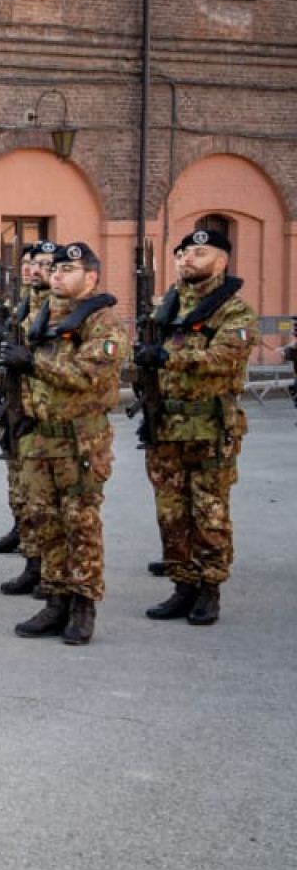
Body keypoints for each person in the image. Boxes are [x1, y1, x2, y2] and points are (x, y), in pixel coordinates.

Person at [0, 242, 128, 646]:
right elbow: (22, 379)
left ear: (91, 277)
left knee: (80, 523)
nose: (56, 275)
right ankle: (55, 600)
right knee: (45, 522)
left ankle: (83, 604)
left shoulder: (104, 322)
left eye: (68, 269)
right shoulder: (40, 317)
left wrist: (33, 362)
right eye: (54, 269)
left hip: (80, 440)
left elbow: (88, 372)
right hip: (40, 437)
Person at [137, 227, 256, 626]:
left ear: (221, 262)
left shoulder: (235, 313)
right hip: (167, 427)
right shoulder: (164, 307)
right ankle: (182, 584)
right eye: (183, 253)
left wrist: (166, 358)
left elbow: (224, 357)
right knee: (171, 512)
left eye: (198, 253)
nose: (186, 258)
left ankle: (209, 589)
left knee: (209, 512)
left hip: (208, 426)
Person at [0, 240, 58, 594]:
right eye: (31, 262)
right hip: (18, 404)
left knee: (52, 503)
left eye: (44, 264)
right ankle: (32, 560)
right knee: (25, 487)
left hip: (49, 415)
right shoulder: (21, 305)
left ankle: (53, 573)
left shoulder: (64, 312)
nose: (34, 269)